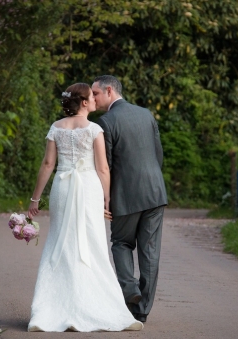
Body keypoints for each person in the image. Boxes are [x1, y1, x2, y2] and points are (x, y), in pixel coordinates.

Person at [26, 83, 143, 332]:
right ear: (84, 102)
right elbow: (102, 168)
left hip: (63, 186)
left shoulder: (56, 127)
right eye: (91, 97)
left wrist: (35, 199)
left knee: (61, 242)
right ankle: (95, 307)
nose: (94, 100)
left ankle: (51, 308)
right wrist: (107, 199)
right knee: (91, 244)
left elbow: (47, 164)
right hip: (89, 188)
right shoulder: (94, 130)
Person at [92, 75, 167, 323]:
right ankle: (142, 309)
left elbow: (107, 165)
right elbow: (158, 154)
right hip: (155, 193)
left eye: (95, 94)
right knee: (150, 251)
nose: (92, 98)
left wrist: (105, 199)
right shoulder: (146, 114)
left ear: (109, 91)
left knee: (121, 243)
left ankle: (130, 289)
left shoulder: (106, 121)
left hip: (125, 195)